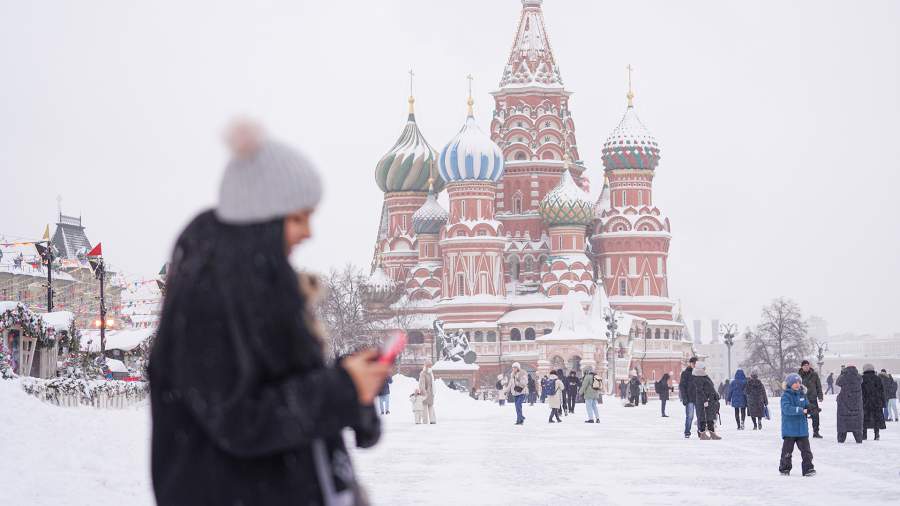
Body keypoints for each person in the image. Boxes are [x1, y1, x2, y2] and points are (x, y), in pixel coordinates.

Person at [149, 122, 392, 505]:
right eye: (297, 218)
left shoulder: (258, 289)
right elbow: (239, 418)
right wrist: (340, 388)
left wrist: (350, 383)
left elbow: (281, 393)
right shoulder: (207, 300)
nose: (308, 232)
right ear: (259, 221)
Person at [779, 373, 815, 477]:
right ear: (790, 384)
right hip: (790, 429)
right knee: (787, 452)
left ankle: (808, 469)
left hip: (802, 429)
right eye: (795, 382)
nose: (797, 384)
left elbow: (806, 405)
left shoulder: (802, 394)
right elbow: (786, 409)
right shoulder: (786, 396)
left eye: (799, 382)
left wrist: (811, 408)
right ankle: (785, 468)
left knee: (806, 452)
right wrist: (801, 410)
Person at [692, 362, 721, 440]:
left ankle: (712, 433)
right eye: (703, 368)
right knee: (702, 417)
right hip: (703, 401)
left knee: (710, 417)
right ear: (700, 368)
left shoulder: (704, 376)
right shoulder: (698, 377)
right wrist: (704, 400)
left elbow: (711, 387)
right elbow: (699, 390)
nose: (705, 369)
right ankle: (702, 434)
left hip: (710, 400)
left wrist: (715, 395)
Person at [836, 365, 864, 443]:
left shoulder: (844, 377)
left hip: (844, 406)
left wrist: (842, 373)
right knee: (857, 425)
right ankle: (858, 438)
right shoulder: (858, 377)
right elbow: (861, 381)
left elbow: (838, 382)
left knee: (843, 425)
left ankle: (841, 438)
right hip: (856, 405)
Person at [799, 360, 824, 438]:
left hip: (813, 398)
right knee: (803, 416)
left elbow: (818, 386)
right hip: (802, 399)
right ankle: (803, 433)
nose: (806, 366)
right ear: (802, 367)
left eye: (807, 365)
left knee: (815, 416)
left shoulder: (814, 375)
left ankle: (816, 432)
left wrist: (820, 396)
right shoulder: (798, 376)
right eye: (804, 365)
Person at [860, 363, 886, 440]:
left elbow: (860, 391)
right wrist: (883, 402)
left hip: (865, 402)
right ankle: (876, 435)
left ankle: (864, 435)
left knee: (864, 418)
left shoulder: (862, 378)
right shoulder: (878, 378)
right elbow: (882, 391)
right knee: (876, 419)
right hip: (876, 402)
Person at [679, 357, 698, 438]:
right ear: (690, 363)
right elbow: (682, 386)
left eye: (696, 363)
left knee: (700, 416)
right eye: (693, 363)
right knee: (690, 416)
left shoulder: (699, 373)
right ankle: (687, 432)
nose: (694, 365)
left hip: (698, 398)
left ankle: (701, 431)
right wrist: (684, 398)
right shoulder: (685, 373)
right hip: (689, 398)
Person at [419, 360, 436, 424]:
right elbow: (422, 384)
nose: (430, 366)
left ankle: (432, 420)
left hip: (431, 392)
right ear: (426, 365)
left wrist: (433, 392)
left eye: (431, 365)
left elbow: (433, 383)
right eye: (429, 365)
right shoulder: (423, 373)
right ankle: (425, 421)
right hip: (425, 393)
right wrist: (424, 392)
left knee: (431, 406)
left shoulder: (430, 373)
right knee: (424, 407)